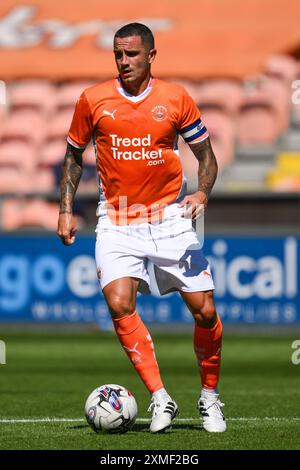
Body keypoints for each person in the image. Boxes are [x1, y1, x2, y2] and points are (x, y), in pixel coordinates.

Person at [57, 23, 226, 433]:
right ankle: (160, 398)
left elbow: (206, 157)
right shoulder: (93, 99)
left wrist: (201, 194)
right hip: (117, 218)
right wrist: (65, 209)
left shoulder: (176, 98)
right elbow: (73, 156)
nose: (123, 61)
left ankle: (209, 398)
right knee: (118, 303)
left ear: (151, 55)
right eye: (118, 54)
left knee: (204, 312)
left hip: (170, 216)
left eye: (132, 54)